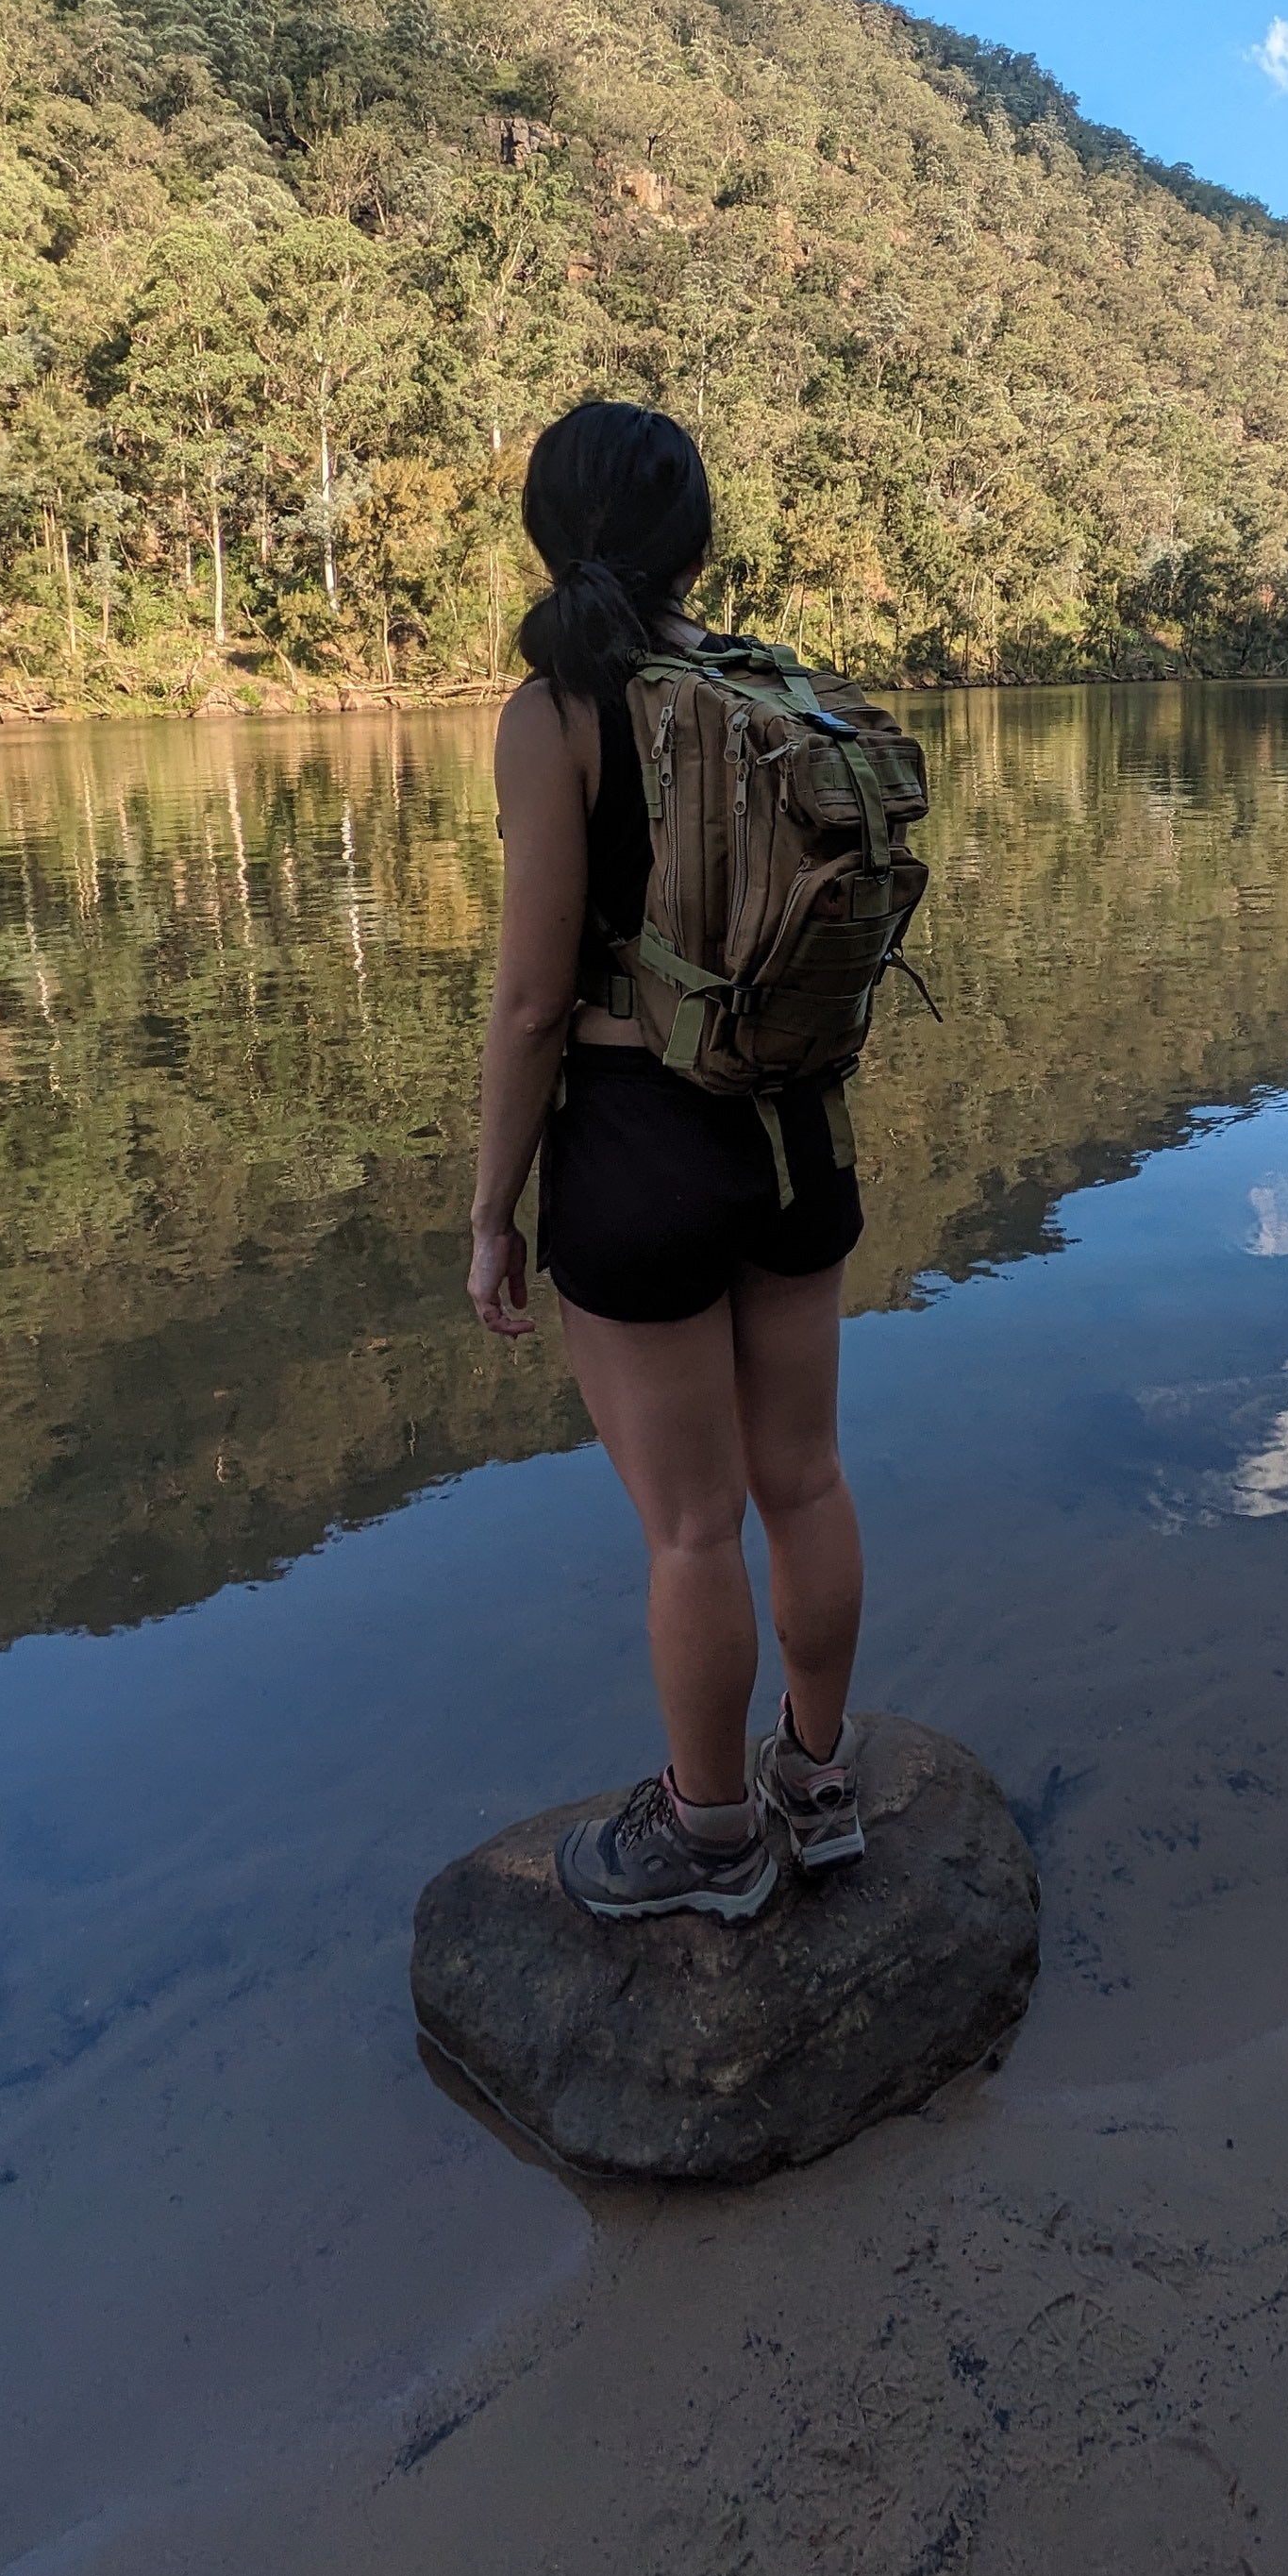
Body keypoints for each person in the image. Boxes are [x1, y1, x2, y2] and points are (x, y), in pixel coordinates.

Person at [466, 401, 867, 1923]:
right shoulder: (765, 682)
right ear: (696, 536)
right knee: (807, 1478)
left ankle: (710, 1839)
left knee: (691, 1525)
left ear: (549, 529)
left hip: (641, 1149)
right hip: (794, 1138)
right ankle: (818, 1790)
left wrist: (492, 1207)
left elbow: (529, 997)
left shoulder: (559, 707)